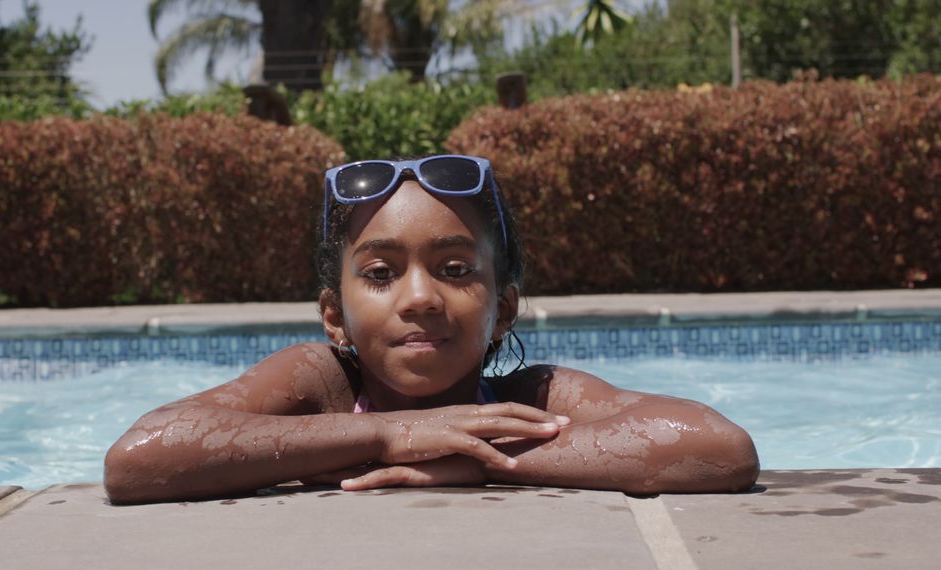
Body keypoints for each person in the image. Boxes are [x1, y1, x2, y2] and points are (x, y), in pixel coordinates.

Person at [104, 155, 759, 504]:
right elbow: (139, 460)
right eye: (382, 273)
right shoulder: (321, 383)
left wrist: (474, 462)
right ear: (336, 316)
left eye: (452, 268)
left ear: (502, 309)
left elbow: (718, 448)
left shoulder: (531, 398)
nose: (419, 298)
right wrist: (393, 432)